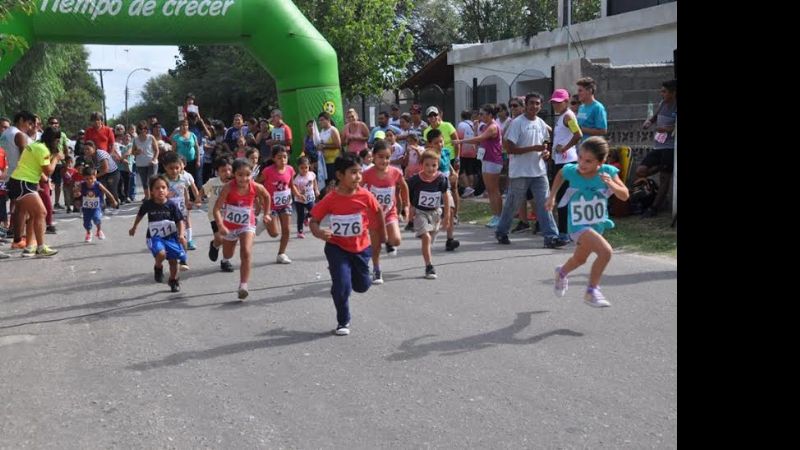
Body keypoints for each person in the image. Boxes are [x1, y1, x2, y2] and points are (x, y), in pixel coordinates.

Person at [545, 137, 629, 307]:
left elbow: (625, 195)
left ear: (601, 161)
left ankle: (561, 273)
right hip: (577, 224)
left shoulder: (609, 172)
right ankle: (592, 291)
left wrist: (611, 184)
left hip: (596, 225)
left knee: (579, 260)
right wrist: (552, 196)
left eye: (588, 161)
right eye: (580, 157)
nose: (582, 163)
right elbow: (560, 174)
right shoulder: (573, 171)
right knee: (606, 253)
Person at [309, 153, 385, 336]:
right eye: (353, 173)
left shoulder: (366, 196)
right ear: (340, 175)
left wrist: (383, 236)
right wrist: (319, 232)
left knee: (362, 286)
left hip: (361, 248)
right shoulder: (331, 198)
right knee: (342, 286)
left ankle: (343, 280)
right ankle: (343, 321)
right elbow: (314, 220)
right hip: (337, 247)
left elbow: (378, 211)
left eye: (359, 172)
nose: (358, 177)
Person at [494, 92, 567, 248]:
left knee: (545, 203)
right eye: (531, 103)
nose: (534, 106)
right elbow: (510, 149)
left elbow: (544, 145)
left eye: (537, 103)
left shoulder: (541, 123)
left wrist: (546, 153)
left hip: (539, 172)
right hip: (520, 172)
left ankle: (551, 237)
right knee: (513, 204)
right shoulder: (517, 123)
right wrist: (533, 148)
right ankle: (502, 231)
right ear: (525, 105)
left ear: (541, 106)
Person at [213, 158, 272, 300]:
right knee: (228, 254)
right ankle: (216, 245)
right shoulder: (228, 187)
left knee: (246, 251)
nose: (243, 178)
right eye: (240, 174)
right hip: (229, 226)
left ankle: (243, 285)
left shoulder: (255, 186)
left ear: (251, 174)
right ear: (234, 174)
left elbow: (267, 196)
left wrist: (267, 213)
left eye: (247, 174)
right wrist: (221, 225)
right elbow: (216, 209)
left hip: (247, 224)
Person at [7, 126, 63, 256]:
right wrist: (56, 158)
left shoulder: (36, 145)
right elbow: (48, 170)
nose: (58, 143)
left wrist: (42, 182)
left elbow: (34, 167)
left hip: (22, 182)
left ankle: (29, 246)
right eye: (57, 140)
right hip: (23, 183)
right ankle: (41, 247)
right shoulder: (42, 149)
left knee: (33, 215)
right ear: (53, 139)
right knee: (41, 212)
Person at [361, 140, 409, 284]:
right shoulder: (367, 174)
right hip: (373, 215)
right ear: (373, 157)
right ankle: (376, 270)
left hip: (390, 212)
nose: (384, 160)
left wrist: (406, 205)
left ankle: (389, 242)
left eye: (387, 157)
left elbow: (404, 187)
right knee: (375, 246)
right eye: (381, 157)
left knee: (396, 240)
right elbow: (357, 188)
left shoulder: (395, 172)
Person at [129, 175, 187, 292]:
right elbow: (140, 214)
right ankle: (158, 267)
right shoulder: (148, 204)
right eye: (157, 188)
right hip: (155, 237)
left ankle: (173, 280)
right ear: (151, 191)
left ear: (168, 190)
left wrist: (181, 234)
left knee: (173, 261)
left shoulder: (171, 205)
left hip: (171, 237)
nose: (160, 190)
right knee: (161, 254)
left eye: (163, 187)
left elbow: (180, 220)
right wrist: (134, 226)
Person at [407, 150, 450, 279]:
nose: (430, 168)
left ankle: (427, 250)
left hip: (436, 212)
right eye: (427, 165)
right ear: (421, 165)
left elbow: (446, 197)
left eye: (434, 165)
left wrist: (447, 216)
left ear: (438, 166)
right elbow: (411, 200)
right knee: (426, 238)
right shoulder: (415, 180)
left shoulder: (441, 179)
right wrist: (410, 216)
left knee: (430, 239)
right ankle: (429, 266)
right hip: (420, 212)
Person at [636, 79, 677, 218]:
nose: (662, 93)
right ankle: (662, 166)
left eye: (664, 91)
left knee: (665, 179)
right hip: (658, 146)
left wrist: (666, 129)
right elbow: (654, 117)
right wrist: (649, 122)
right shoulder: (662, 103)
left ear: (673, 93)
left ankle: (654, 208)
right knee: (641, 171)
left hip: (671, 148)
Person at [549, 88, 583, 242]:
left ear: (566, 102)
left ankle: (564, 233)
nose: (555, 105)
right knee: (562, 197)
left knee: (563, 198)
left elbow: (578, 134)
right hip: (560, 161)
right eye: (554, 102)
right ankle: (566, 232)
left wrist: (565, 148)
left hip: (567, 162)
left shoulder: (568, 116)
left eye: (558, 102)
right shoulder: (562, 116)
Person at [258, 145, 299, 264]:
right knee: (274, 233)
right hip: (271, 205)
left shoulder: (290, 169)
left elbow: (291, 184)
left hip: (286, 204)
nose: (283, 160)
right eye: (279, 157)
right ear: (274, 158)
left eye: (285, 157)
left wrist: (297, 194)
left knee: (287, 230)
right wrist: (260, 199)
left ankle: (281, 254)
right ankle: (265, 222)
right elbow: (257, 184)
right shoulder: (268, 171)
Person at [203, 156, 234, 268]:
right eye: (223, 170)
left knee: (228, 239)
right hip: (214, 215)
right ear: (217, 172)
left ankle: (225, 261)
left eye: (229, 170)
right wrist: (197, 199)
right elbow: (203, 190)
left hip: (230, 215)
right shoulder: (213, 182)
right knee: (220, 238)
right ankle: (215, 245)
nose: (227, 173)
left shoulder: (234, 183)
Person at [78, 166, 118, 242]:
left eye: (91, 178)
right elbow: (76, 192)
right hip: (86, 207)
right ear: (83, 178)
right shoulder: (82, 185)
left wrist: (113, 201)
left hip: (96, 206)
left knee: (97, 218)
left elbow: (107, 192)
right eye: (87, 179)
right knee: (86, 223)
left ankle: (99, 230)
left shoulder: (98, 184)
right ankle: (89, 233)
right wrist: (76, 193)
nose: (89, 181)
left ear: (95, 177)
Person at [292, 156, 319, 239]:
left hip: (310, 198)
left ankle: (306, 218)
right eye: (302, 168)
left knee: (314, 210)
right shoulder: (297, 179)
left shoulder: (311, 174)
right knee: (300, 215)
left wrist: (316, 189)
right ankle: (300, 231)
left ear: (309, 166)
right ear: (298, 168)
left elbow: (314, 180)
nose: (304, 170)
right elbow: (294, 188)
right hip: (299, 200)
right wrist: (299, 194)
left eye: (306, 167)